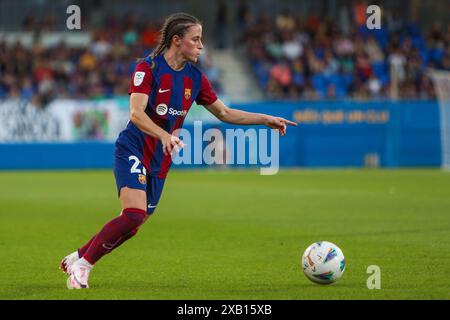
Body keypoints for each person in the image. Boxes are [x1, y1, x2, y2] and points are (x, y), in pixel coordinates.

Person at [59, 12, 297, 289]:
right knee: (134, 213)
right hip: (133, 147)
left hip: (161, 158)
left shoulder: (195, 77)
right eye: (195, 39)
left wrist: (265, 119)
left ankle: (76, 256)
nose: (201, 45)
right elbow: (136, 113)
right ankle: (83, 267)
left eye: (201, 40)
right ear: (177, 41)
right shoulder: (147, 68)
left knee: (134, 224)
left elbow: (224, 112)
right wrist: (162, 134)